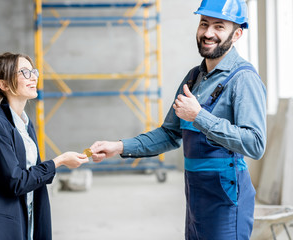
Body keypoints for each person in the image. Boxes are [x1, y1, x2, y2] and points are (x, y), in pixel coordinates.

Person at [90, 0, 266, 239]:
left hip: (226, 196)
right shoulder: (194, 77)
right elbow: (170, 134)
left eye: (219, 26)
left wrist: (199, 116)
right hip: (195, 194)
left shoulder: (244, 79)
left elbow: (255, 143)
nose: (208, 33)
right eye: (204, 24)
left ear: (237, 34)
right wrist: (119, 147)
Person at [0, 52, 89, 240]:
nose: (33, 77)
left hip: (27, 217)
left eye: (33, 71)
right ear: (4, 84)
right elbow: (17, 181)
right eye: (24, 72)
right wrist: (59, 161)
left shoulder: (25, 124)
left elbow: (31, 175)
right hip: (0, 228)